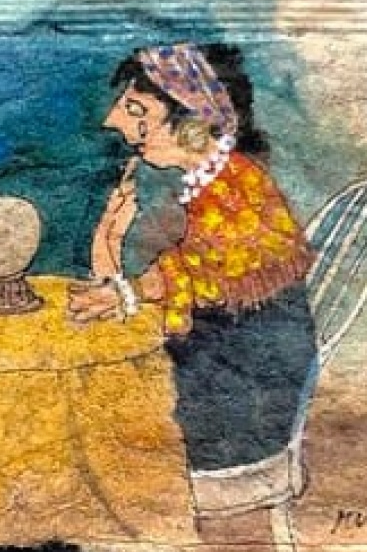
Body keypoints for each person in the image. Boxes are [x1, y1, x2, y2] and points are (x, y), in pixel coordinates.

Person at [67, 43, 318, 512]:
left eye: (136, 111)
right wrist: (108, 239)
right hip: (218, 382)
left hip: (242, 422)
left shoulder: (239, 187)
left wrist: (129, 290)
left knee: (94, 430)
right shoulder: (213, 185)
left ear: (194, 125)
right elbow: (170, 281)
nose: (113, 122)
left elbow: (198, 273)